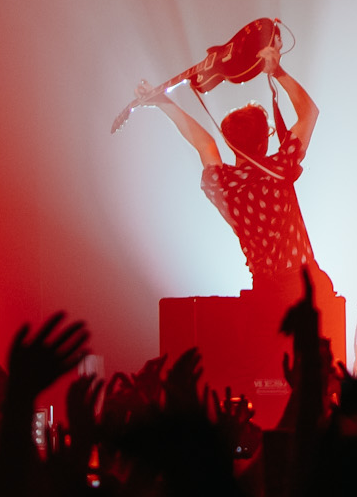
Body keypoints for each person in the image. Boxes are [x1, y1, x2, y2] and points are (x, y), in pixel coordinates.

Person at [140, 41, 333, 304]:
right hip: (305, 292)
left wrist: (163, 103)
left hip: (264, 294)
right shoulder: (279, 171)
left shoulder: (224, 187)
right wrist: (278, 72)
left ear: (231, 144)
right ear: (263, 142)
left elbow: (204, 143)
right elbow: (309, 113)